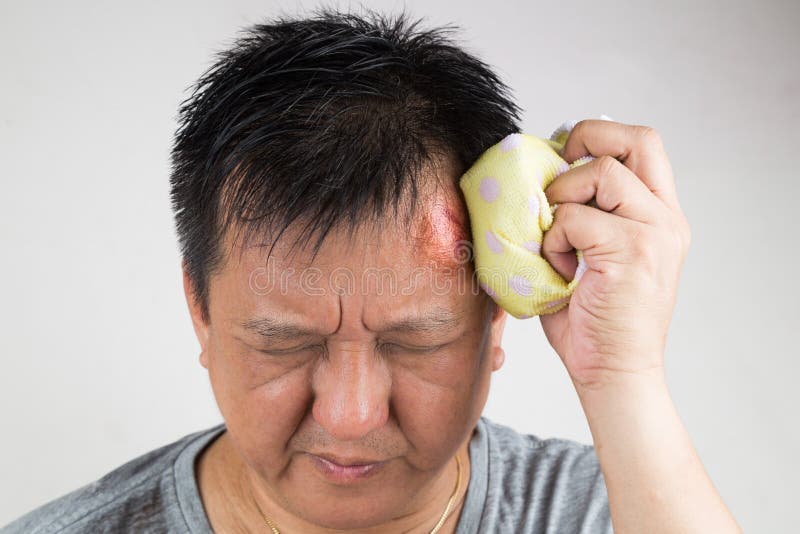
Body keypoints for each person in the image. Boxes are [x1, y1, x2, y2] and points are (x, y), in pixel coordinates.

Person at [1, 6, 741, 534]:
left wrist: (623, 377)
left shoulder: (609, 510)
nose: (350, 416)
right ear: (199, 307)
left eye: (415, 343)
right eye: (284, 343)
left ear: (493, 315)